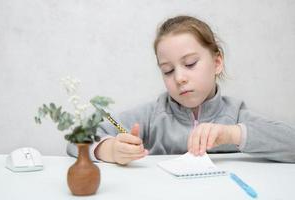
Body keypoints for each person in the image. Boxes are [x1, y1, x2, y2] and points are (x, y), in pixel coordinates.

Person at [67, 15, 295, 165]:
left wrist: (232, 134)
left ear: (217, 63)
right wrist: (108, 150)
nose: (179, 78)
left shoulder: (234, 113)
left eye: (190, 64)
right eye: (167, 70)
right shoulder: (151, 115)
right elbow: (76, 139)